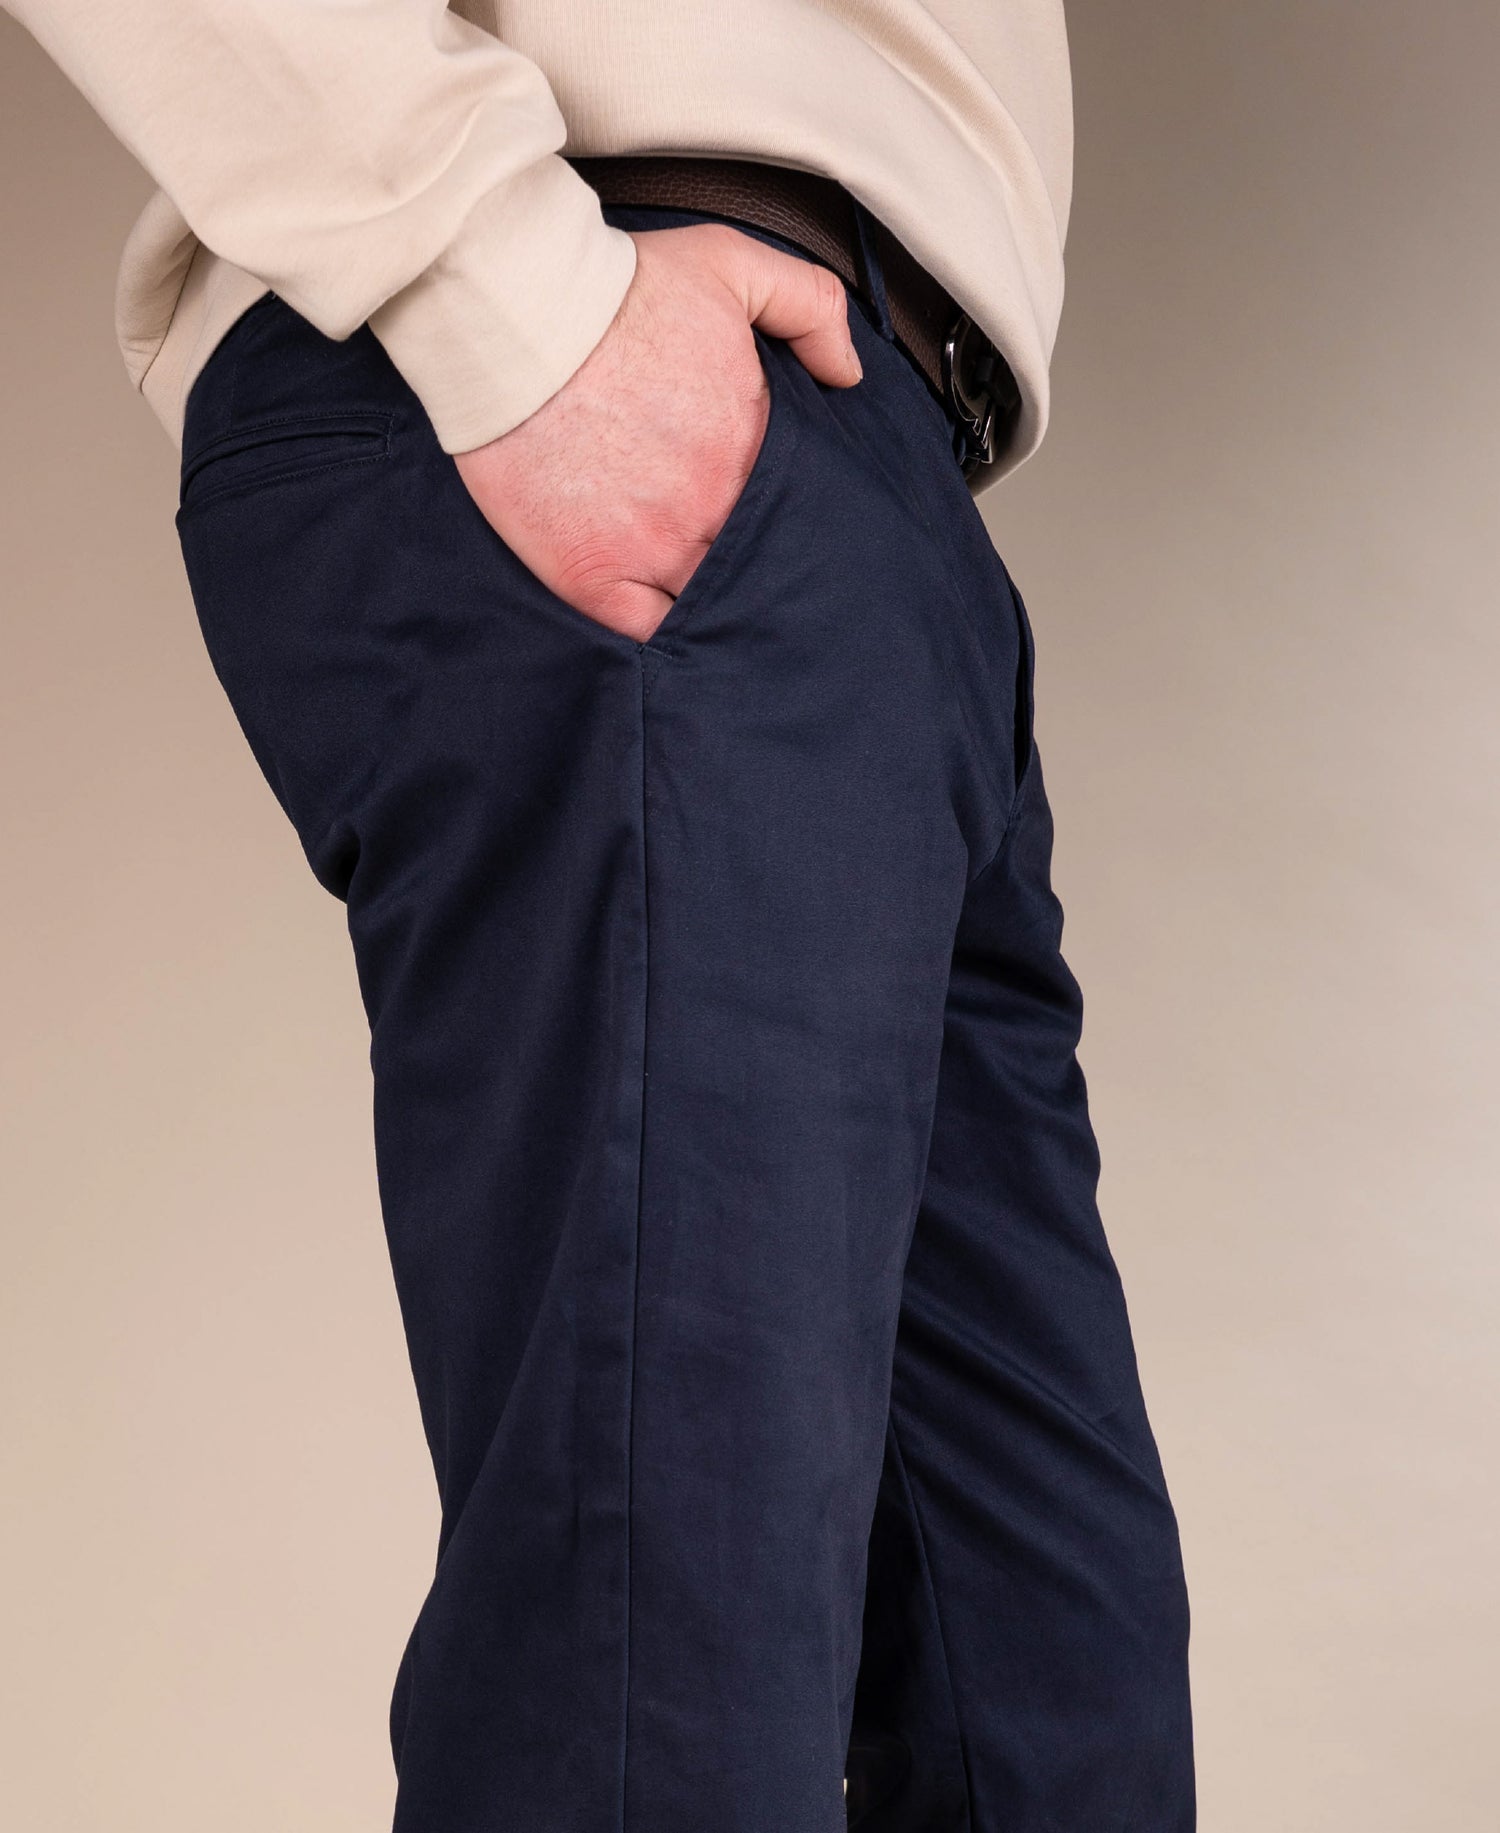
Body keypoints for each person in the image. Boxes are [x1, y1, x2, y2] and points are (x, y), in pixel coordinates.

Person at [7, 2, 1196, 1827]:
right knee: (663, 1707)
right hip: (633, 353)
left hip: (875, 473)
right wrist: (498, 281)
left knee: (1055, 1702)